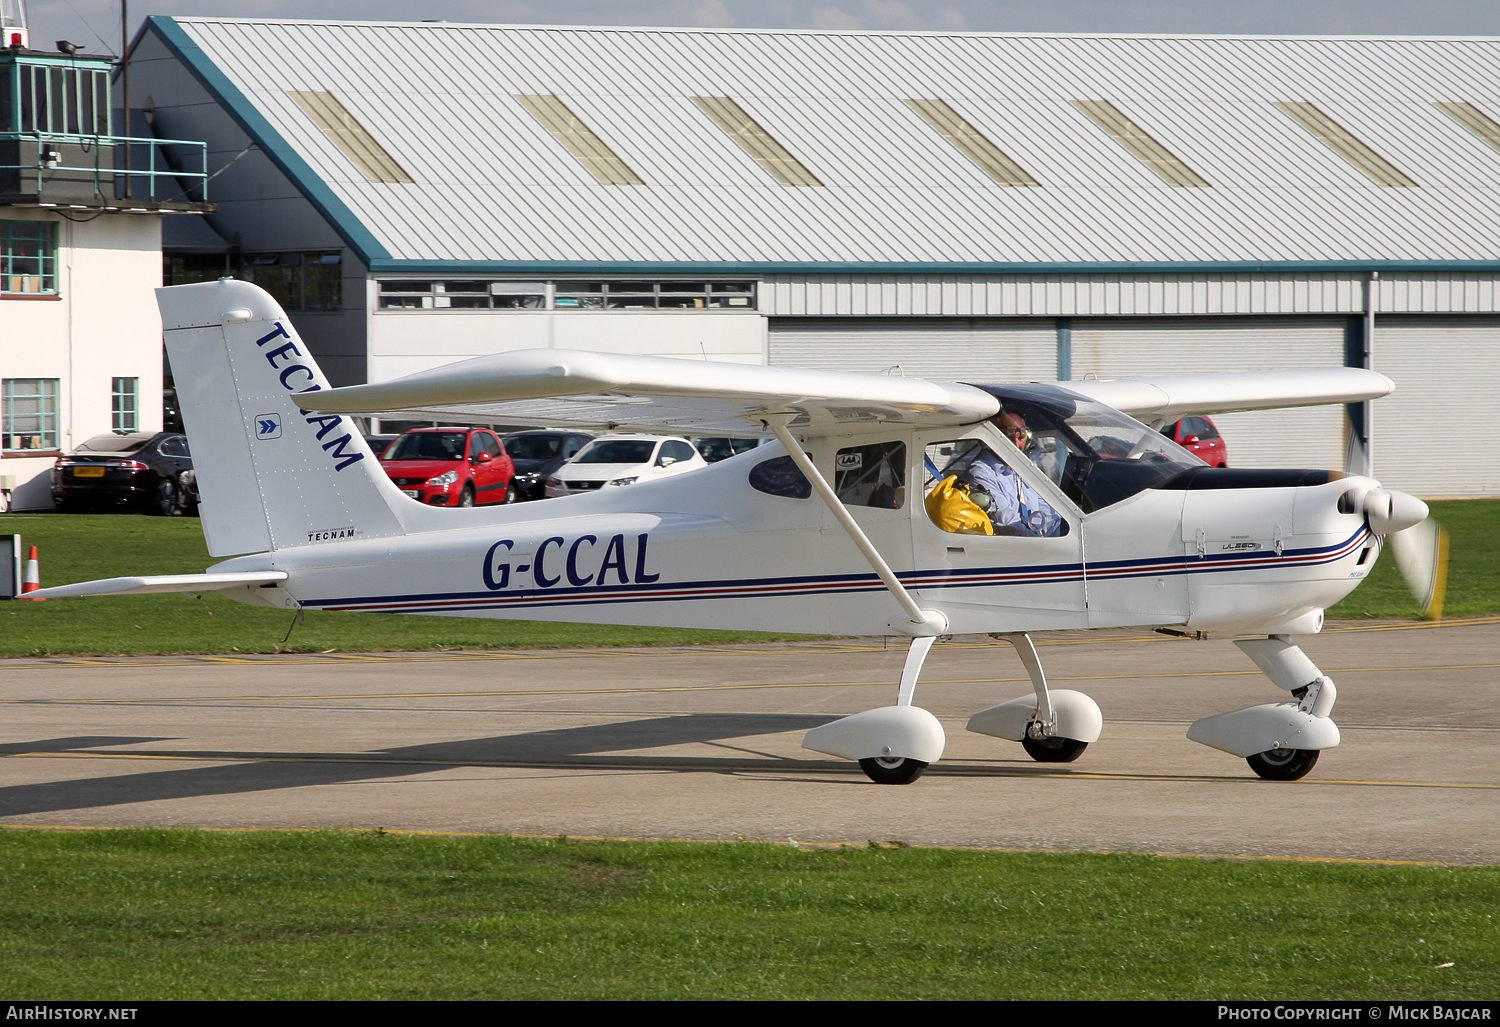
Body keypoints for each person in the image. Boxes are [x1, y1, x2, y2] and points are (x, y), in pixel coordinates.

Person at [967, 413, 1065, 537]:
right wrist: (1042, 542)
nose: (1016, 445)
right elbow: (1008, 522)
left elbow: (1046, 514)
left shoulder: (1021, 470)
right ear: (993, 438)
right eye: (1009, 437)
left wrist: (1065, 530)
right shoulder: (980, 474)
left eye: (1021, 438)